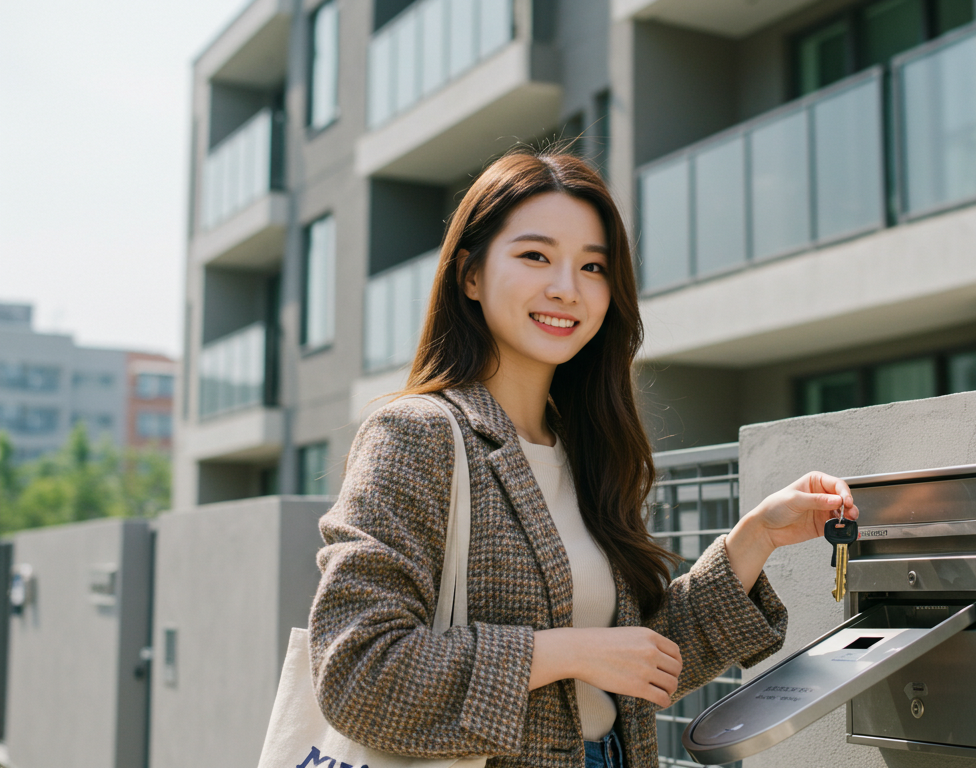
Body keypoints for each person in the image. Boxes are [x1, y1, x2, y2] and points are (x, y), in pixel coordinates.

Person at [308, 150, 859, 768]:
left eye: (592, 266)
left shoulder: (586, 449)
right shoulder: (417, 435)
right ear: (470, 274)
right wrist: (567, 652)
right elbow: (357, 672)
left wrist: (755, 538)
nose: (566, 289)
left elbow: (637, 662)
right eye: (535, 256)